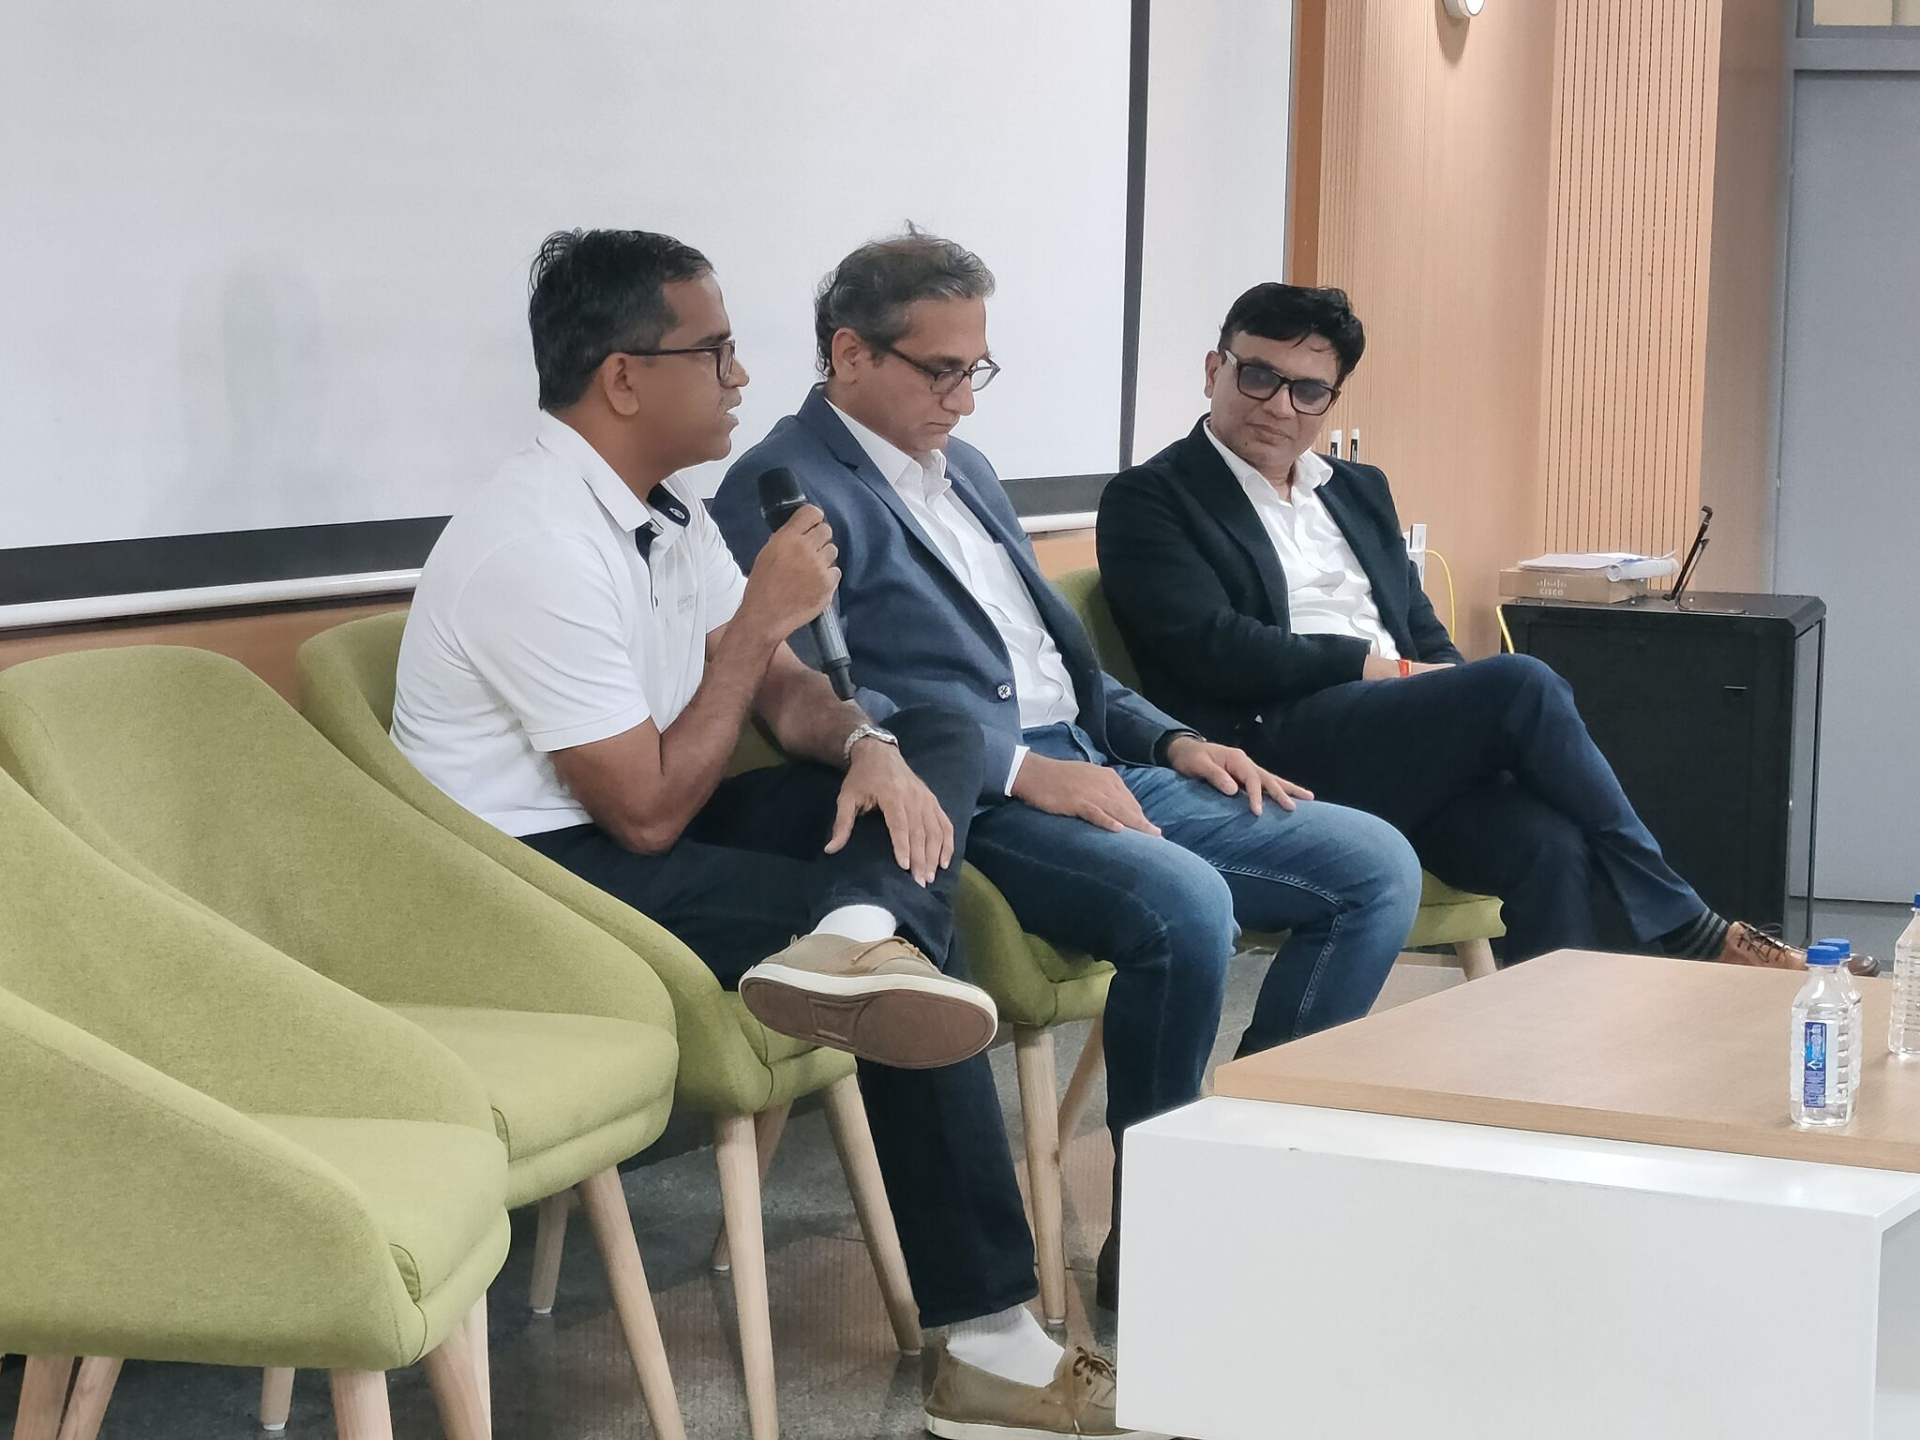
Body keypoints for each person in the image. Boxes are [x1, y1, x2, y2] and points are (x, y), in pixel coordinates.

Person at [391, 229, 1144, 1438]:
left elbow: (789, 695)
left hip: (643, 822)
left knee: (937, 732)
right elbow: (643, 814)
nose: (742, 376)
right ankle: (992, 1351)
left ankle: (859, 931)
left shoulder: (666, 511)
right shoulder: (534, 542)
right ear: (623, 378)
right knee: (915, 974)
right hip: (537, 882)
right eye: (716, 351)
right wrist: (756, 625)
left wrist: (869, 745)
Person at [713, 230, 1424, 1313]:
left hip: (1101, 762)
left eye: (976, 370)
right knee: (1186, 904)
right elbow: (819, 701)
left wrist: (1172, 740)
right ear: (850, 354)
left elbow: (1061, 665)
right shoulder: (781, 489)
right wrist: (1022, 774)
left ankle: (1234, 1176)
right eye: (940, 371)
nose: (964, 399)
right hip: (973, 801)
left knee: (1375, 865)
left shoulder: (966, 471)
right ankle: (1162, 1236)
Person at [1096, 281, 1873, 978]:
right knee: (1519, 681)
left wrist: (1442, 689)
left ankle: (1550, 1072)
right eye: (1258, 376)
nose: (1278, 406)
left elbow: (1420, 628)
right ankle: (1689, 924)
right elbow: (1213, 648)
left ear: (1330, 401)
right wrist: (1389, 673)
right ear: (1215, 369)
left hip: (1394, 748)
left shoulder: (1357, 489)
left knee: (1549, 845)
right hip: (1271, 751)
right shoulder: (1151, 497)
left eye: (1307, 391)